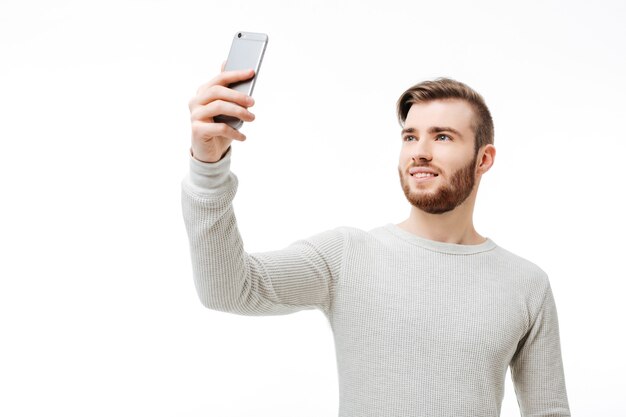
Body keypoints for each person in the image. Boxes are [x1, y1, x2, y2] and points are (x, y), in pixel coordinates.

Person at [182, 68, 571, 417]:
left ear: (484, 159)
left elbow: (548, 411)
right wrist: (208, 169)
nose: (419, 151)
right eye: (410, 136)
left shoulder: (526, 284)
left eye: (442, 136)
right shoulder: (348, 255)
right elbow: (228, 290)